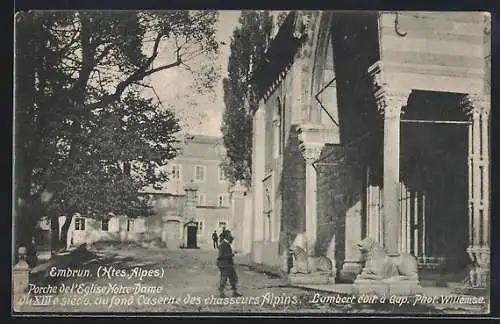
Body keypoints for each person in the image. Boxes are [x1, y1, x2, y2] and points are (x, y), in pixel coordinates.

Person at [216, 230, 242, 297]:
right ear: (226, 236)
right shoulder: (222, 245)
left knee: (233, 278)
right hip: (224, 265)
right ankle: (221, 293)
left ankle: (234, 292)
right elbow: (220, 256)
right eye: (229, 235)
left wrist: (231, 254)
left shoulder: (227, 244)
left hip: (229, 264)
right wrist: (231, 254)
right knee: (223, 279)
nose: (230, 236)